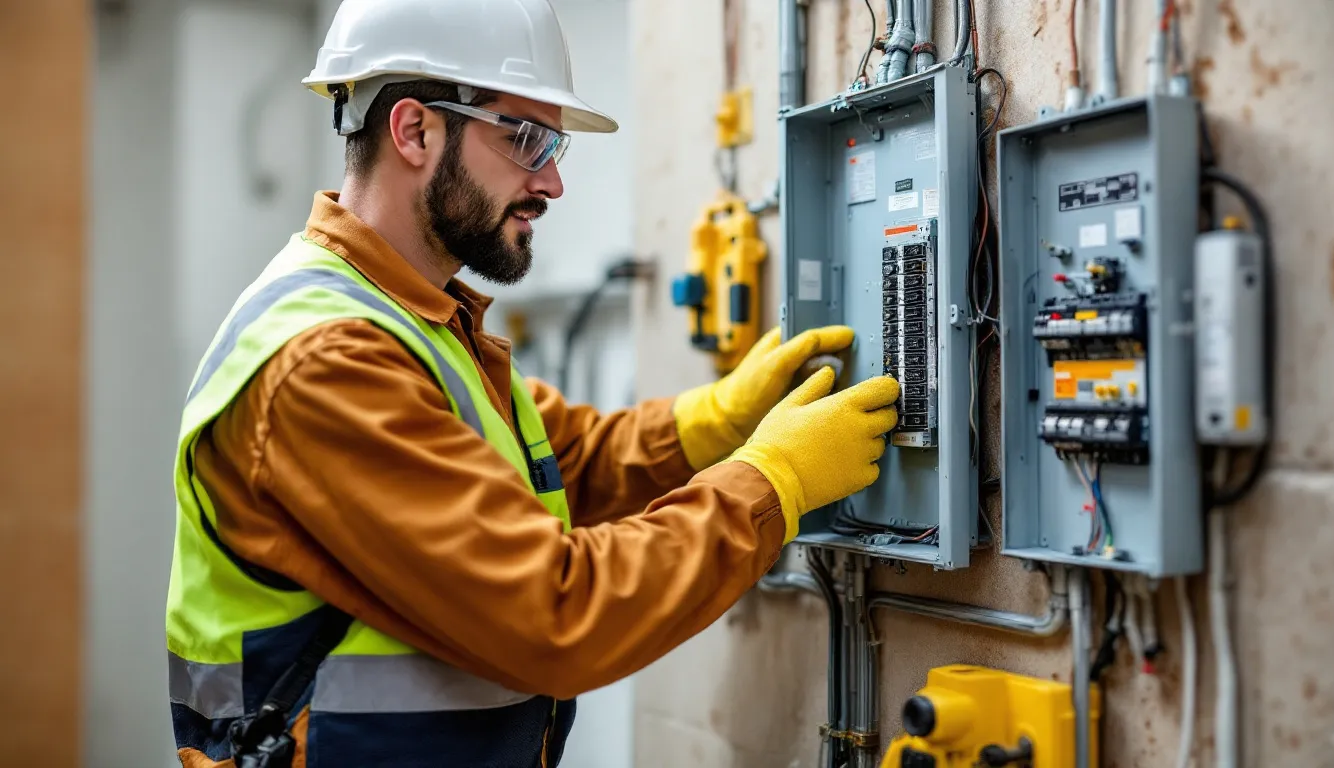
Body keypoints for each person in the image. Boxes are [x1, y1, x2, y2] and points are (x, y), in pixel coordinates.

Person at [164, 0, 901, 765]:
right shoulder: (328, 363)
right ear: (414, 131)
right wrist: (771, 482)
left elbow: (565, 457)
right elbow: (556, 612)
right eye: (524, 139)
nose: (551, 181)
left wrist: (711, 422)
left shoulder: (413, 323)